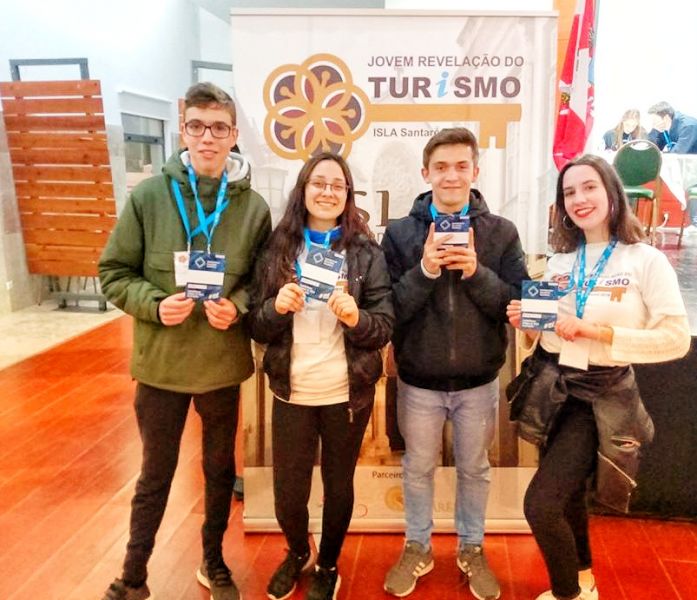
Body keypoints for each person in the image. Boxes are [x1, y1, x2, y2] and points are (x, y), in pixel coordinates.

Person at [98, 82, 271, 600]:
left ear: (233, 135)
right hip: (162, 364)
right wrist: (154, 304)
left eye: (218, 128)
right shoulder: (149, 197)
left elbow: (260, 281)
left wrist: (237, 306)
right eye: (197, 126)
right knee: (155, 474)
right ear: (183, 132)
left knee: (219, 471)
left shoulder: (253, 208)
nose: (207, 138)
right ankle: (133, 576)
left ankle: (214, 562)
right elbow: (113, 273)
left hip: (220, 364)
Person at [506, 154, 690, 600]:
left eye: (589, 187)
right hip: (553, 389)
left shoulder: (645, 260)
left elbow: (675, 339)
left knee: (540, 505)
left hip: (601, 397)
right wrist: (529, 326)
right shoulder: (560, 262)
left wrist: (599, 332)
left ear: (612, 192)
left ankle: (566, 593)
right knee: (567, 498)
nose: (579, 199)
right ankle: (583, 579)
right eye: (569, 192)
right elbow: (550, 333)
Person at [381, 127, 529, 600]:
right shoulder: (400, 234)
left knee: (474, 469)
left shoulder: (501, 232)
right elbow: (389, 310)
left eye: (461, 166)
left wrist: (475, 272)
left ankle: (472, 547)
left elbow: (518, 303)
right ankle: (417, 546)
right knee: (417, 469)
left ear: (475, 171)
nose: (451, 176)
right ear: (425, 173)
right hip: (418, 382)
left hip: (478, 382)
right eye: (441, 167)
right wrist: (425, 270)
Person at [249, 152, 394, 600]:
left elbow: (384, 326)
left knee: (338, 486)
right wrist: (275, 309)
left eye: (337, 185)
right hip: (292, 391)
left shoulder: (366, 253)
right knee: (288, 493)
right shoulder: (277, 248)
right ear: (303, 189)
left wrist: (356, 318)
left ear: (348, 194)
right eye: (318, 183)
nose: (327, 192)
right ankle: (297, 552)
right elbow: (254, 323)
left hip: (345, 393)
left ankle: (328, 564)